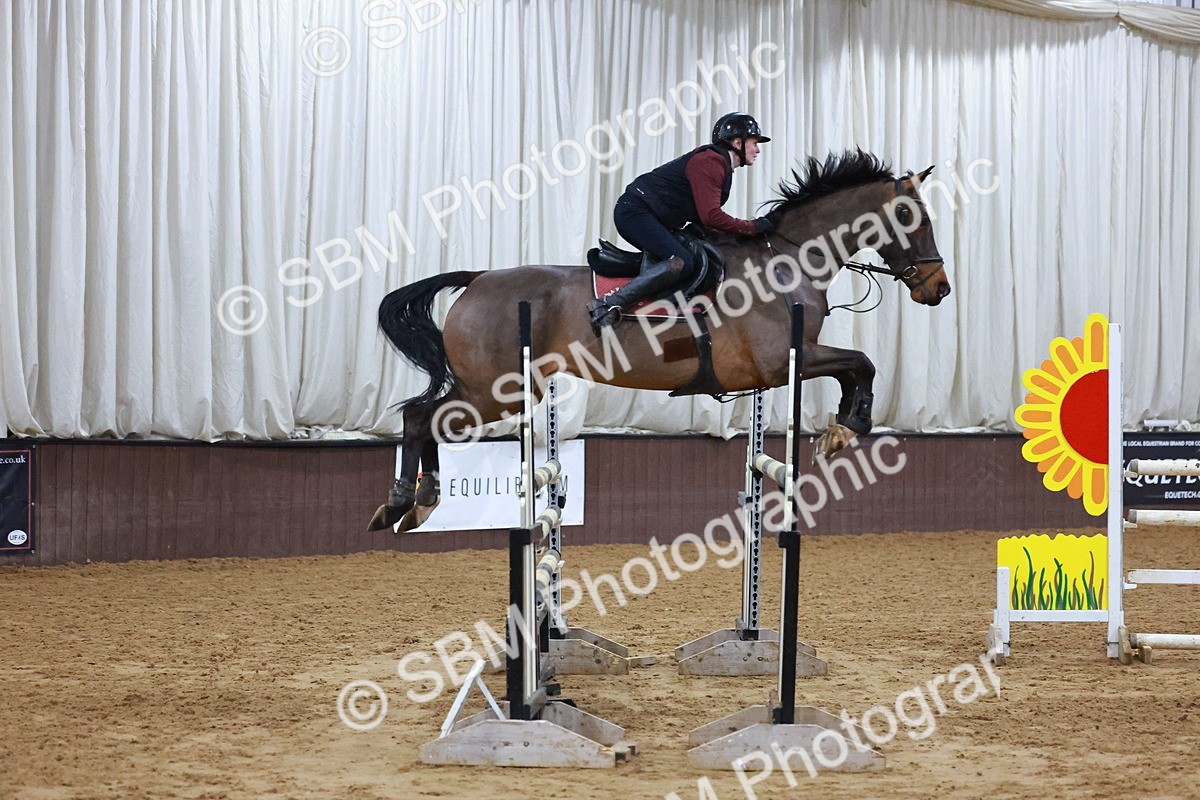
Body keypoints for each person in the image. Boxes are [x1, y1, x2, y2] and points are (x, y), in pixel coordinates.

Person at [587, 112, 776, 334]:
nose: (758, 149)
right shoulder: (712, 161)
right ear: (737, 143)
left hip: (649, 214)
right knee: (681, 261)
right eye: (754, 143)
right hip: (635, 212)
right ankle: (608, 306)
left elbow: (704, 220)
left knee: (690, 256)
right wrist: (752, 227)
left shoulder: (721, 165)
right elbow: (711, 216)